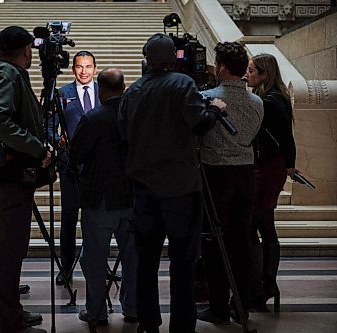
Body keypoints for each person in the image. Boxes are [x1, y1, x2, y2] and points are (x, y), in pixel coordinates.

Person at [118, 33, 226, 333]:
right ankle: (182, 325)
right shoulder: (183, 84)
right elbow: (199, 123)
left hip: (144, 189)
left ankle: (148, 323)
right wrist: (215, 109)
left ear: (146, 59)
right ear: (172, 59)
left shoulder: (133, 92)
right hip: (180, 189)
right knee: (183, 262)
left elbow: (123, 134)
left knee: (146, 261)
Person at [0, 26, 50, 333]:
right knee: (9, 248)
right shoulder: (5, 73)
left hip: (10, 175)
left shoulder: (6, 72)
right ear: (25, 50)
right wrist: (35, 146)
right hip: (7, 176)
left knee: (12, 246)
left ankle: (12, 311)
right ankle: (8, 320)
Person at [197, 42, 263, 325]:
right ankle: (241, 304)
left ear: (222, 66)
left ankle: (218, 307)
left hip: (216, 174)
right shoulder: (258, 102)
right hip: (246, 173)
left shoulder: (208, 96)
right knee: (242, 240)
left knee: (214, 241)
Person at [69, 68, 137, 326]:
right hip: (132, 197)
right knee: (133, 257)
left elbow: (77, 157)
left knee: (95, 259)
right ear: (123, 87)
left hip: (100, 199)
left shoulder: (93, 118)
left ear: (100, 89)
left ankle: (97, 312)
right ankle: (132, 308)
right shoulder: (135, 117)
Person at [245, 53, 297, 311]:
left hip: (267, 168)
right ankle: (266, 285)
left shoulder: (271, 101)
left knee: (256, 223)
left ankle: (261, 286)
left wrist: (289, 163)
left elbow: (285, 137)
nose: (248, 74)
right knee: (265, 224)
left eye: (252, 70)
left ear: (265, 74)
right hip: (269, 166)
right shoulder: (275, 98)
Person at [49, 50, 101, 285]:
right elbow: (48, 127)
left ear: (95, 69)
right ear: (73, 69)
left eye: (88, 66)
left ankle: (100, 266)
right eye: (79, 67)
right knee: (69, 218)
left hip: (99, 165)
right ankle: (66, 267)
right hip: (69, 164)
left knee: (98, 219)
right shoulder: (62, 94)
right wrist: (56, 138)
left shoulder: (104, 91)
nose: (84, 71)